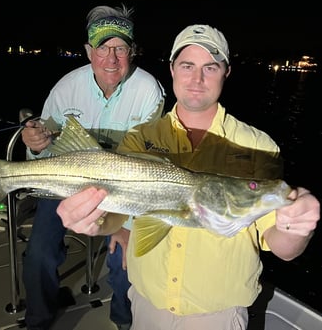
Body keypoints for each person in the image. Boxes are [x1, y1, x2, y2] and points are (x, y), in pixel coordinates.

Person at [56, 24, 320, 330]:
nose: (197, 79)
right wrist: (94, 221)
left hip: (217, 315)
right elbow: (117, 217)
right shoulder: (141, 137)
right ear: (172, 69)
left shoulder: (258, 147)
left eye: (210, 67)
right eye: (187, 66)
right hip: (146, 304)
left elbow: (282, 247)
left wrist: (298, 227)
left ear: (226, 72)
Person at [21, 4, 165, 330]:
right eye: (103, 48)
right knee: (39, 254)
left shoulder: (148, 91)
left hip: (124, 191)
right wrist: (35, 146)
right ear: (89, 51)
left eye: (120, 48)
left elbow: (147, 164)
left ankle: (124, 321)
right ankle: (38, 321)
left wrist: (126, 225)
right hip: (65, 185)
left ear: (132, 51)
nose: (111, 59)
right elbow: (44, 152)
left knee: (125, 257)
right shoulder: (65, 88)